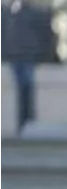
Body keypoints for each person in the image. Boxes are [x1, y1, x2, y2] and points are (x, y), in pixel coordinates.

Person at [0, 0, 41, 133]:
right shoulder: (6, 12)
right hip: (14, 56)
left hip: (26, 55)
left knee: (27, 85)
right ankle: (23, 122)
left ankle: (29, 121)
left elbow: (35, 33)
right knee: (20, 87)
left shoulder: (28, 11)